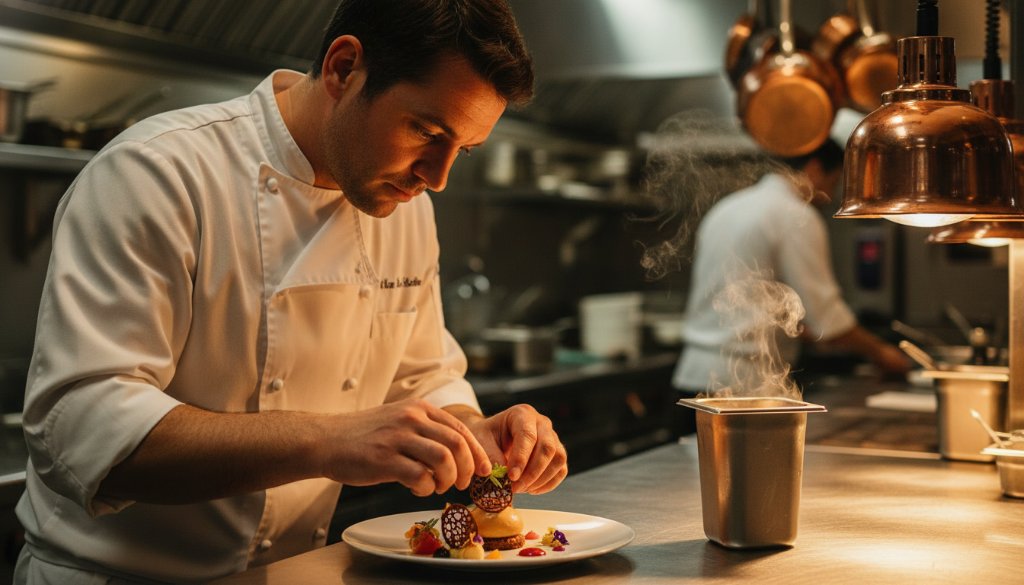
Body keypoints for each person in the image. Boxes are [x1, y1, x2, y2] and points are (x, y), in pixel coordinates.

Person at [14, 1, 568, 582]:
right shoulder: (157, 174)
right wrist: (329, 440)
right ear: (343, 67)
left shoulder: (405, 207)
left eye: (465, 151)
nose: (437, 177)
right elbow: (82, 430)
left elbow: (420, 372)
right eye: (427, 131)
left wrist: (469, 431)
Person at [672, 139, 910, 433]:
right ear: (813, 168)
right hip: (743, 388)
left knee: (691, 476)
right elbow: (826, 317)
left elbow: (749, 304)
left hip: (691, 380)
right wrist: (882, 353)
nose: (830, 195)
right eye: (833, 182)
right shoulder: (794, 215)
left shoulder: (728, 207)